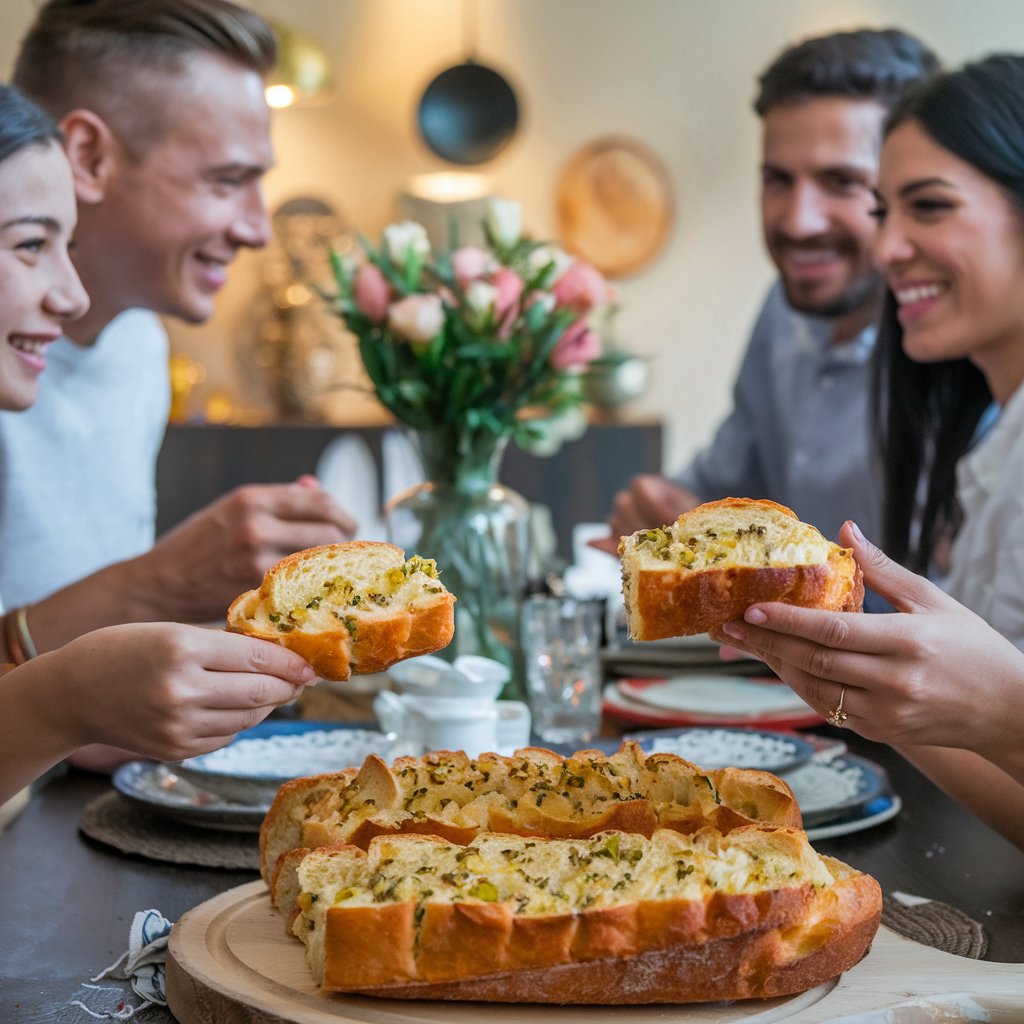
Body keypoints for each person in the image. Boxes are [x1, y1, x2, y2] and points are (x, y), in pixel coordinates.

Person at [721, 54, 1024, 852]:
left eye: (928, 207)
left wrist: (1007, 709)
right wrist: (840, 679)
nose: (886, 248)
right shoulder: (992, 450)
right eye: (885, 211)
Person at [0, 0, 357, 667]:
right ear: (88, 155)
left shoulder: (141, 345)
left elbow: (91, 679)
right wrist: (158, 583)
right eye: (227, 181)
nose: (257, 228)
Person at [0, 83, 317, 807]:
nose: (71, 294)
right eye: (30, 244)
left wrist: (96, 707)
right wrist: (62, 699)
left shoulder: (140, 351)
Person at [597, 28, 940, 552]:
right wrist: (667, 505)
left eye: (843, 181)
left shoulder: (959, 344)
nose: (799, 222)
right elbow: (726, 482)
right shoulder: (782, 309)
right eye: (778, 179)